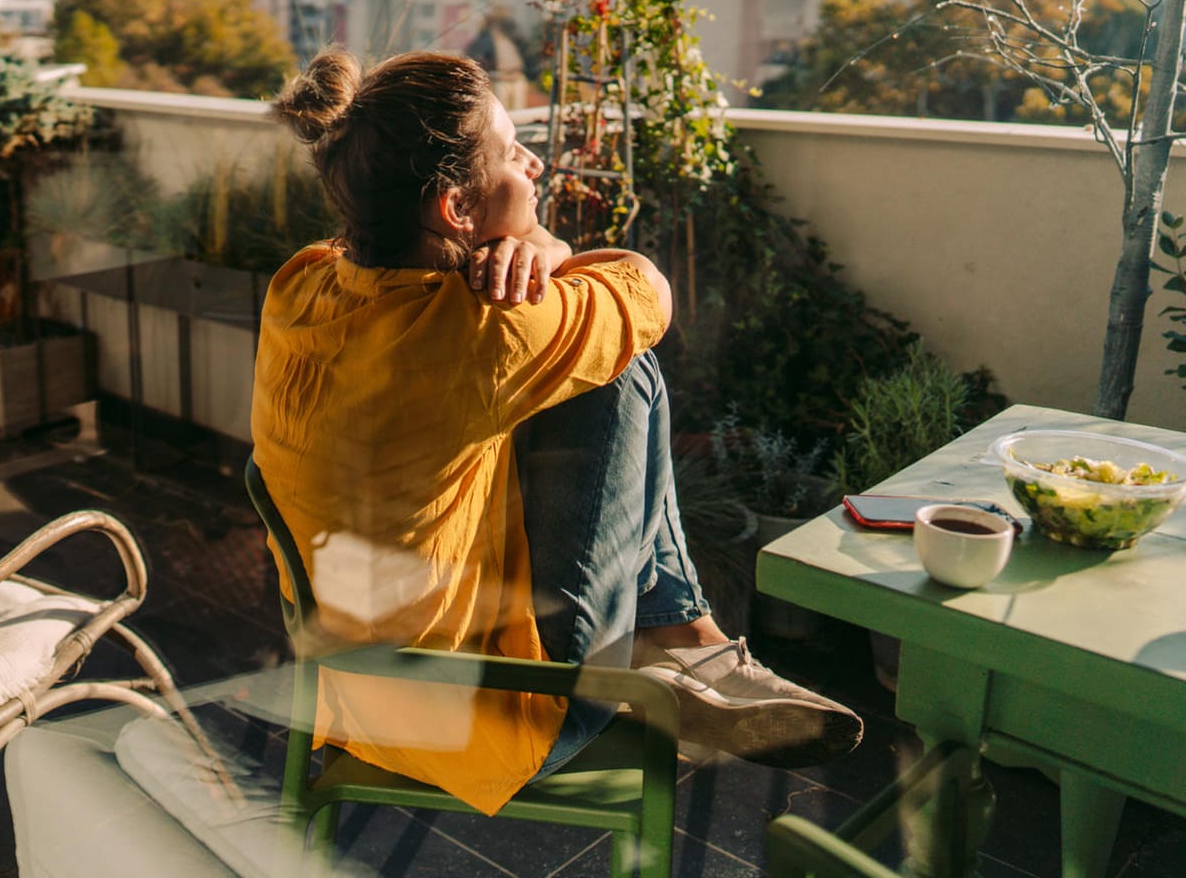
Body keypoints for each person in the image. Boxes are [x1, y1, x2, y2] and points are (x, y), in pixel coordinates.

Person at [250, 48, 862, 816]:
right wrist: (546, 251)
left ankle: (683, 646)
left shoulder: (300, 283)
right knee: (622, 371)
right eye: (512, 153)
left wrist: (534, 249)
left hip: (345, 695)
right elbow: (649, 293)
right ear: (455, 210)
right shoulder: (484, 333)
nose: (534, 163)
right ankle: (681, 644)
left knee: (572, 372)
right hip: (488, 717)